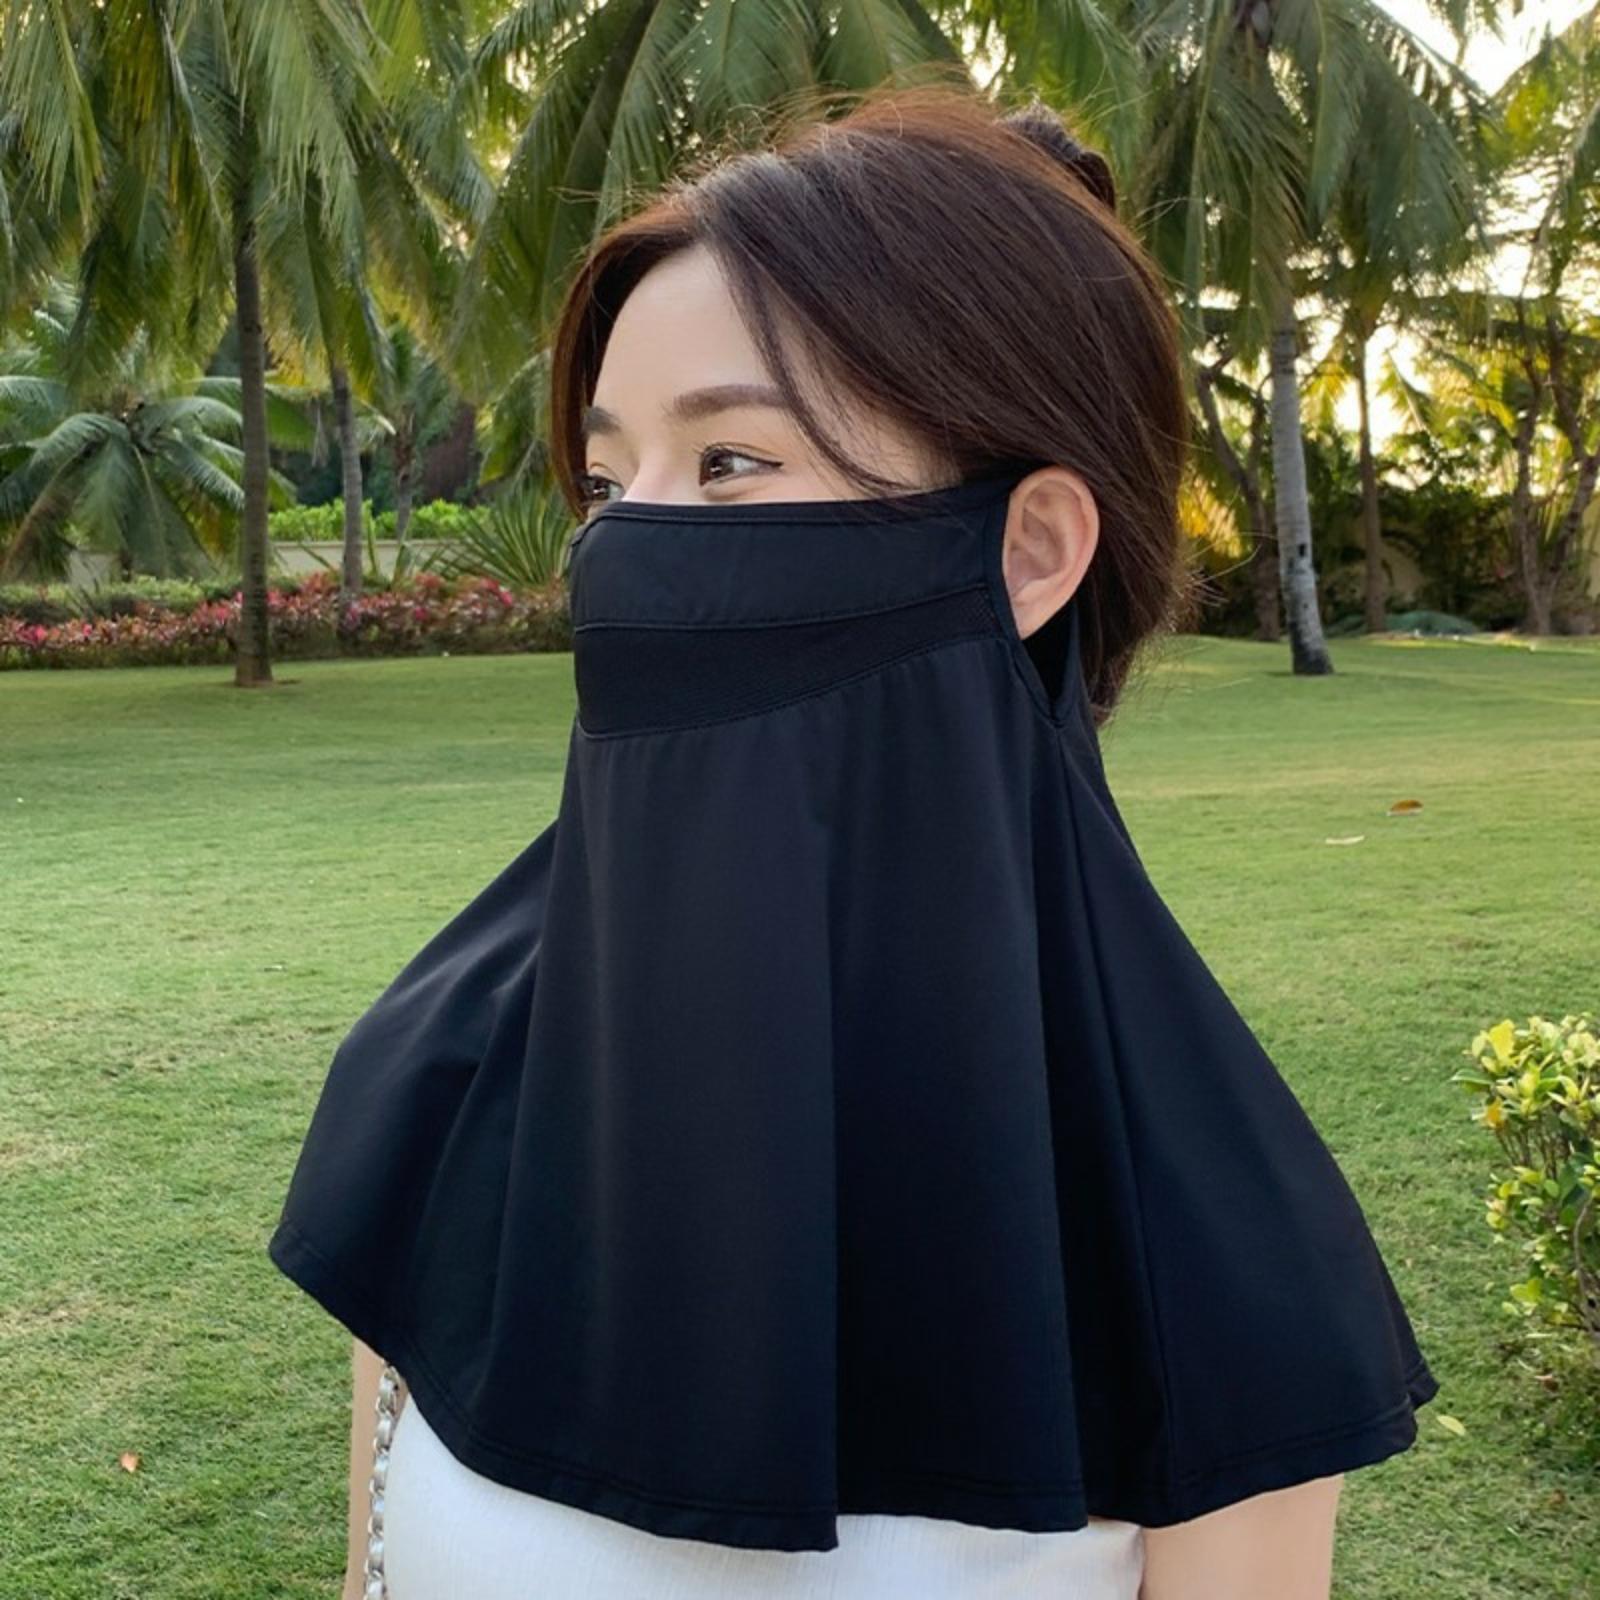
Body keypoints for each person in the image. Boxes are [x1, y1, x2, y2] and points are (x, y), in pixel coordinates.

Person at [268, 82, 1437, 1600]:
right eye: (608, 484)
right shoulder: (450, 1071)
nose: (626, 549)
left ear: (1028, 553)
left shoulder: (1210, 1261)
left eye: (732, 463)